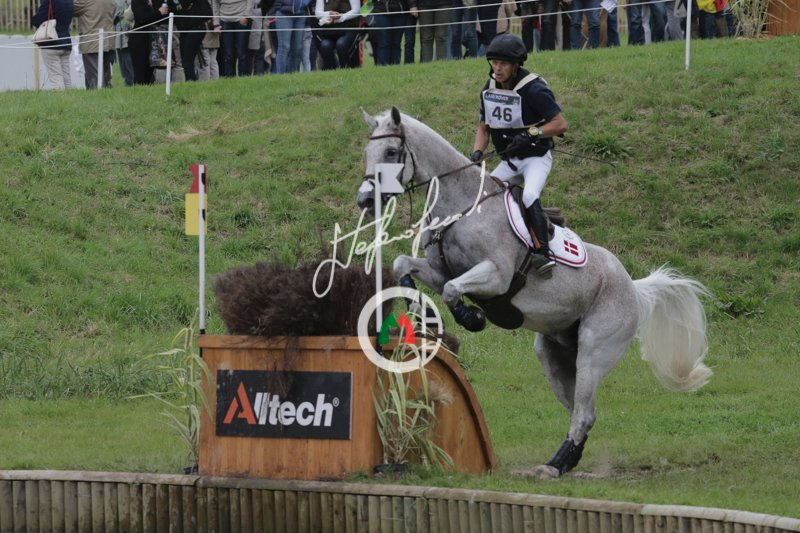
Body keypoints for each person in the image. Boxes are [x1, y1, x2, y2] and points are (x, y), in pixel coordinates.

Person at [470, 34, 568, 277]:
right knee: (483, 197)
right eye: (494, 63)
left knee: (530, 195)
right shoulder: (490, 89)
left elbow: (560, 124)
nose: (497, 68)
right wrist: (477, 152)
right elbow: (483, 128)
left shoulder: (534, 89)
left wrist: (533, 132)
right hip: (510, 162)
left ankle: (543, 253)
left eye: (503, 64)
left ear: (515, 65)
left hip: (536, 158)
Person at [31, 0, 74, 90]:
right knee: (66, 76)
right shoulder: (69, 1)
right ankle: (70, 96)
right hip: (66, 41)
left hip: (52, 43)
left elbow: (36, 20)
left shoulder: (49, 1)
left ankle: (60, 98)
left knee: (56, 77)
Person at [73, 0, 115, 88]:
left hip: (91, 43)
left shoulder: (85, 1)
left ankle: (98, 95)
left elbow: (69, 8)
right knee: (105, 77)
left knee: (95, 80)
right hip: (107, 41)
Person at [130, 0, 169, 83]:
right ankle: (139, 88)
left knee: (149, 71)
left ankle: (148, 88)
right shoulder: (137, 2)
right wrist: (159, 12)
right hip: (139, 40)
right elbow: (142, 18)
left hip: (151, 40)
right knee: (140, 71)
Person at [314, 0, 359, 69]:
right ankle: (330, 70)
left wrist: (339, 18)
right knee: (325, 45)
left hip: (348, 27)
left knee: (341, 44)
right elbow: (317, 13)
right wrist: (330, 14)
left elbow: (356, 11)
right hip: (329, 30)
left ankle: (347, 68)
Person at [213, 0, 251, 75]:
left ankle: (244, 80)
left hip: (241, 18)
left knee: (242, 55)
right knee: (228, 55)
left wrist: (247, 16)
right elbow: (215, 3)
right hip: (224, 20)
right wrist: (216, 23)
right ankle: (230, 80)